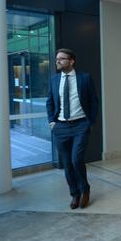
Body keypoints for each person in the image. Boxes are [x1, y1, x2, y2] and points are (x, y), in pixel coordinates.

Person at [46, 48, 99, 210]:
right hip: (60, 126)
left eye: (61, 59)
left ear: (71, 61)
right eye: (57, 59)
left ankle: (85, 190)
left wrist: (90, 121)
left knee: (77, 160)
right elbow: (50, 101)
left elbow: (93, 101)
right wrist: (52, 122)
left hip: (80, 125)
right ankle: (74, 194)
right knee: (67, 164)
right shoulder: (54, 79)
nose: (58, 62)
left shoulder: (84, 78)